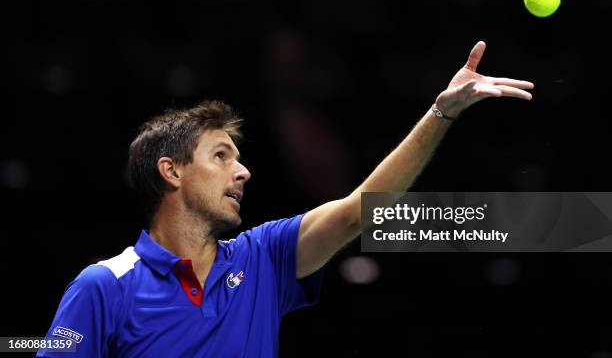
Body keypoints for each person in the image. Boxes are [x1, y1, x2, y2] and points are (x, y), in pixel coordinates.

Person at [38, 41, 534, 357]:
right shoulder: (103, 287)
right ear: (172, 172)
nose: (243, 171)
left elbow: (360, 208)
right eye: (220, 156)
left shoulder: (263, 258)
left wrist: (440, 114)